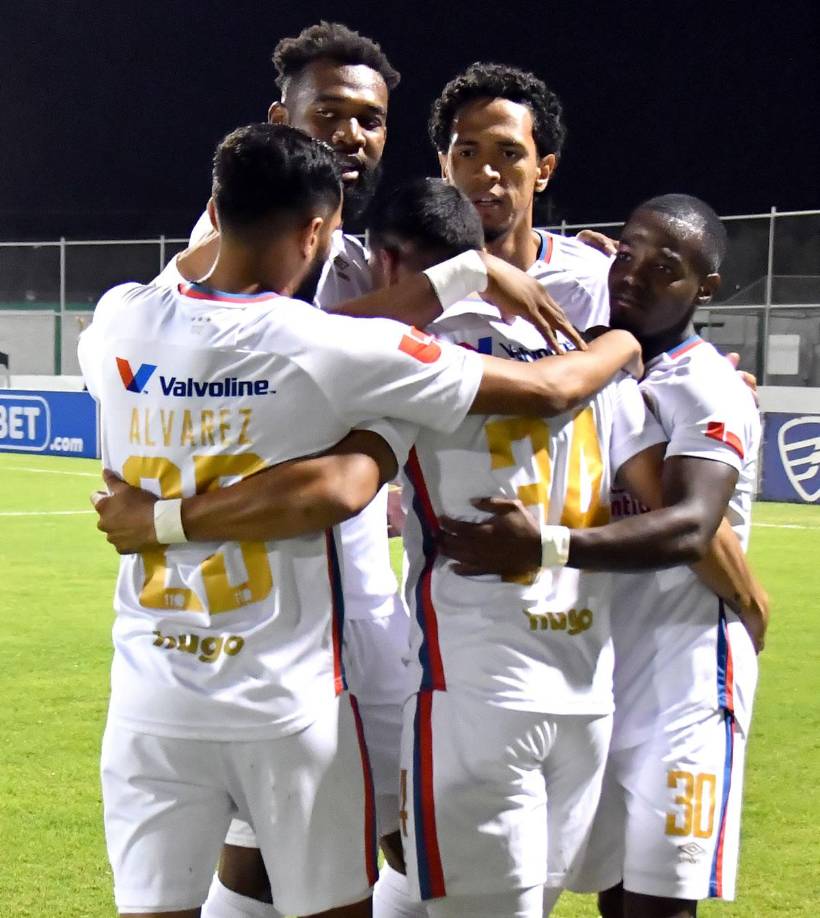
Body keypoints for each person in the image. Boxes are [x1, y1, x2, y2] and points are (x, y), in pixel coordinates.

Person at [93, 178, 763, 918]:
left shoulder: (134, 318)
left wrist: (161, 521)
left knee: (346, 872)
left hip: (359, 685)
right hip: (552, 692)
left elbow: (345, 477)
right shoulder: (586, 350)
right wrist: (622, 343)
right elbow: (560, 407)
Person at [158, 24, 585, 918]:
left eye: (371, 120)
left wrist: (660, 355)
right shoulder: (234, 228)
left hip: (361, 593)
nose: (352, 136)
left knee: (401, 823)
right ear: (283, 117)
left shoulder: (354, 257)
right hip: (256, 604)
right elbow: (287, 344)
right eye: (330, 114)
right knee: (271, 852)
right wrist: (462, 280)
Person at [441, 194, 766, 918]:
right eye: (629, 254)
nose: (636, 275)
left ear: (704, 289)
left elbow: (689, 526)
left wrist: (548, 547)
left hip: (686, 681)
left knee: (660, 902)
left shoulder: (705, 386)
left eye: (667, 267)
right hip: (608, 671)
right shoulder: (608, 370)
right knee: (614, 897)